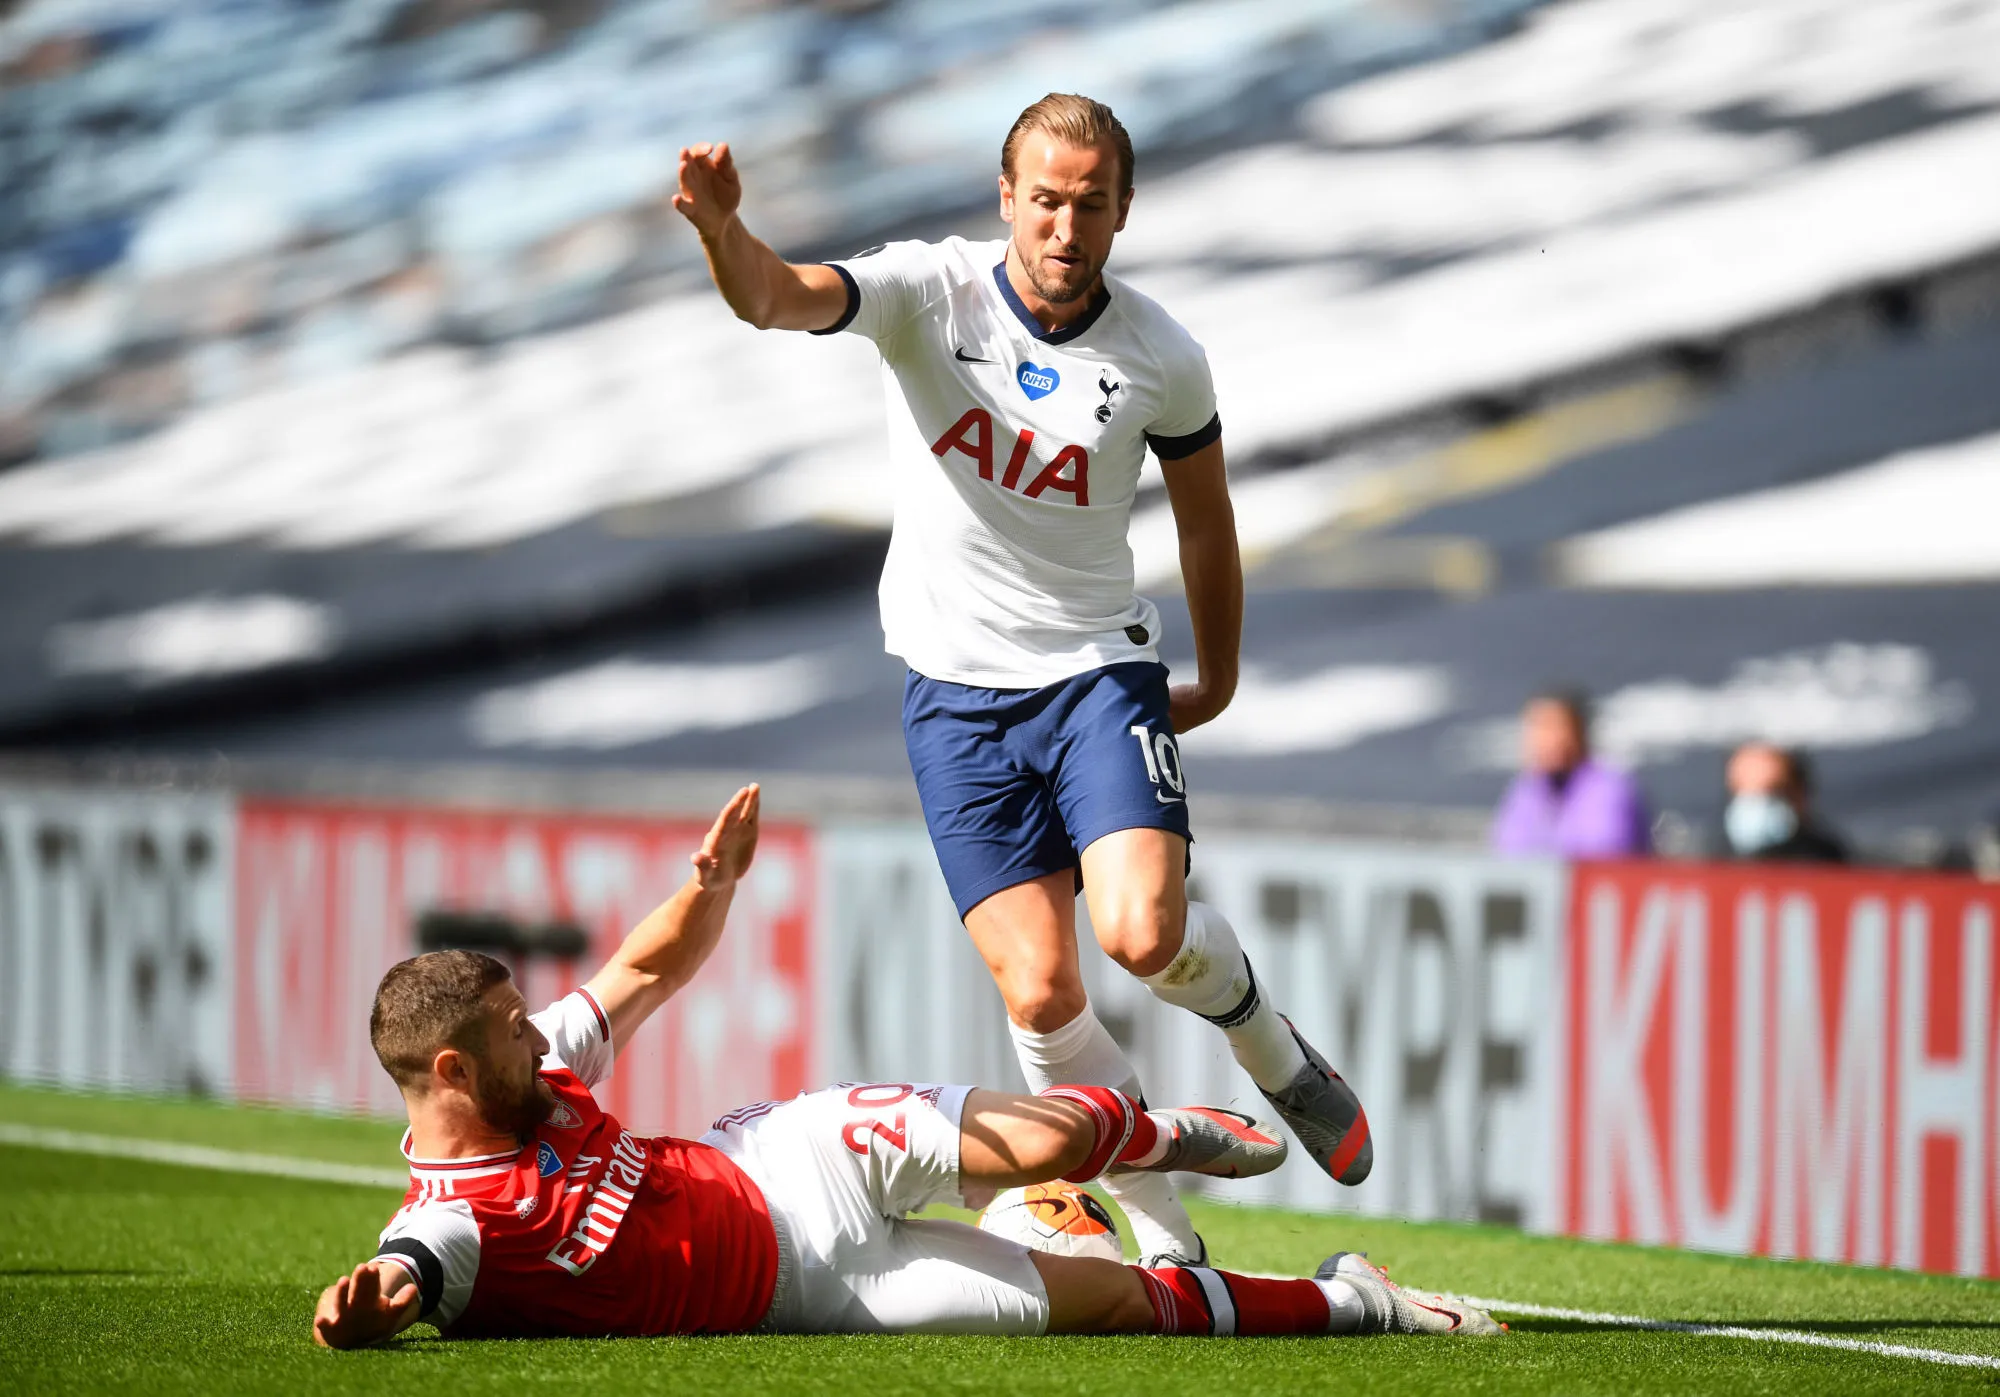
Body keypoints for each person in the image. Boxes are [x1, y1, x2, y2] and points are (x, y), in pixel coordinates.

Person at [670, 93, 1369, 1267]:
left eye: (1090, 204)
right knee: (1041, 995)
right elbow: (775, 297)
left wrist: (1218, 676)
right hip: (952, 693)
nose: (1064, 226)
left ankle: (1266, 1044)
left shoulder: (1160, 355)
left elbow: (1205, 523)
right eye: (1044, 199)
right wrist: (720, 231)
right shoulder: (925, 292)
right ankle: (1165, 1229)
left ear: (1123, 211)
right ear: (1005, 198)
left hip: (1095, 669)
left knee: (1139, 933)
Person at [310, 785, 1500, 1346]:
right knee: (1118, 1307)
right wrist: (357, 1308)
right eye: (513, 1027)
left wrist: (709, 886)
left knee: (1047, 1135)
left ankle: (1144, 1137)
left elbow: (641, 969)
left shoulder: (539, 1077)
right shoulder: (453, 1218)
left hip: (785, 1158)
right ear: (453, 1070)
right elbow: (403, 1271)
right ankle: (1361, 1302)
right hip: (809, 1295)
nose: (541, 1033)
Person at [1490, 689, 1651, 858]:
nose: (1544, 739)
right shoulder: (1525, 791)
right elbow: (1507, 851)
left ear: (1579, 732)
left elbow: (1604, 855)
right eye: (1536, 727)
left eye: (1553, 727)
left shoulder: (1611, 789)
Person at [1723, 742, 1849, 864]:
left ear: (1800, 795)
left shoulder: (1828, 864)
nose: (1754, 801)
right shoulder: (1718, 859)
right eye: (1742, 790)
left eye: (1773, 790)